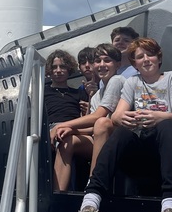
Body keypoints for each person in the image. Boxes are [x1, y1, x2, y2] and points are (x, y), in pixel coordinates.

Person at [77, 37, 172, 212]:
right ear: (135, 63)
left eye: (150, 54)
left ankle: (171, 208)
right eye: (140, 56)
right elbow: (118, 115)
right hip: (138, 152)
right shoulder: (132, 82)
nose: (146, 59)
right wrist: (126, 118)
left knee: (166, 126)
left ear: (159, 58)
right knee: (120, 131)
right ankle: (90, 202)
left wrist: (159, 116)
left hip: (165, 150)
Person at [52, 44, 124, 173]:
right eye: (97, 61)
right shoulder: (97, 95)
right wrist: (70, 130)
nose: (102, 65)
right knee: (68, 141)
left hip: (119, 137)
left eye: (107, 60)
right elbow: (92, 127)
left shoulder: (117, 80)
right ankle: (59, 191)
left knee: (102, 123)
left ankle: (93, 183)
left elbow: (98, 117)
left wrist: (60, 126)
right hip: (98, 136)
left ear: (118, 65)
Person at [44, 50, 92, 193]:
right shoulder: (43, 92)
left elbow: (86, 119)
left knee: (67, 140)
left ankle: (64, 193)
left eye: (62, 67)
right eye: (54, 67)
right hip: (51, 128)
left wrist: (88, 106)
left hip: (74, 129)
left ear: (69, 69)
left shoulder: (78, 93)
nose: (58, 71)